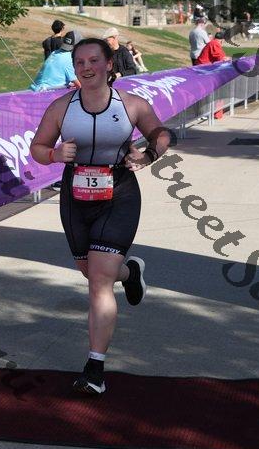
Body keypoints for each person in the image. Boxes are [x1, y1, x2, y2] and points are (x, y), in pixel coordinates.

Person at [30, 37, 171, 395]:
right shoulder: (61, 107)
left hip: (119, 194)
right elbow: (37, 148)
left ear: (109, 64)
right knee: (91, 271)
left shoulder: (131, 104)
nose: (86, 67)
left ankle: (95, 369)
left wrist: (149, 154)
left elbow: (161, 133)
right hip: (76, 197)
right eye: (79, 62)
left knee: (99, 281)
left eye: (94, 60)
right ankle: (131, 272)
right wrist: (54, 154)